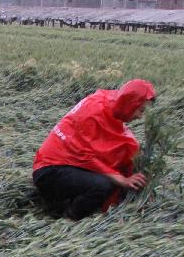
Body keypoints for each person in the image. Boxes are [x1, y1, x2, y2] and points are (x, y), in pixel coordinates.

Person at [32, 79, 157, 220]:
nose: (140, 116)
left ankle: (64, 204)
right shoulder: (93, 112)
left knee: (111, 178)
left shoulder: (110, 104)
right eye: (140, 110)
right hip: (49, 171)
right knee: (103, 185)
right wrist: (121, 179)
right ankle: (69, 221)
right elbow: (85, 156)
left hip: (67, 166)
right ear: (130, 103)